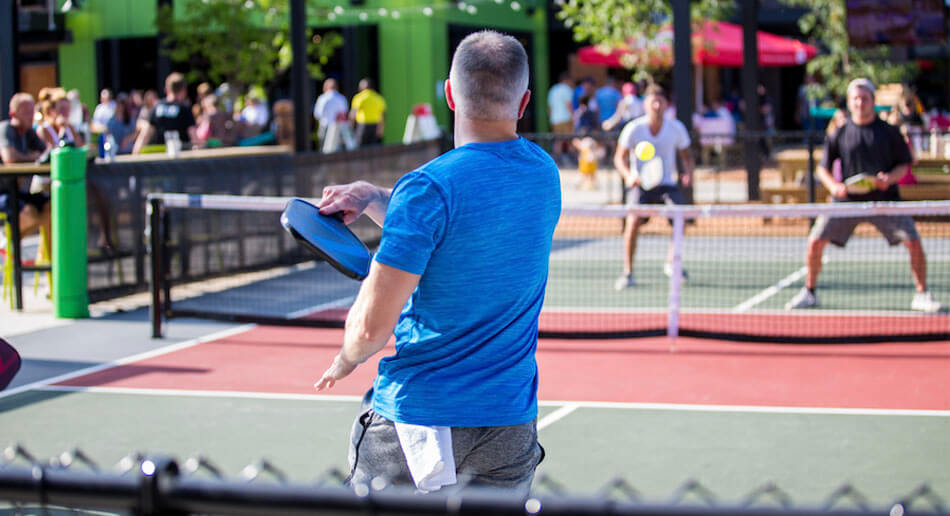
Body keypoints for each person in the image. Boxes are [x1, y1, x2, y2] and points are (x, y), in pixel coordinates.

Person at [313, 30, 556, 494]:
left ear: (448, 93)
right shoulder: (543, 174)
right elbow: (458, 217)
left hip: (416, 422)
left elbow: (369, 330)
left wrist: (345, 360)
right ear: (524, 102)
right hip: (508, 427)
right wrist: (374, 197)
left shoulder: (427, 189)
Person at [784, 78, 942, 313]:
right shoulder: (839, 133)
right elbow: (822, 169)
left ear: (872, 101)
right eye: (855, 99)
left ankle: (921, 293)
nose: (860, 103)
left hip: (885, 200)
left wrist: (888, 178)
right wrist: (834, 186)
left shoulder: (889, 132)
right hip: (846, 202)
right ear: (849, 102)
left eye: (864, 98)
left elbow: (904, 165)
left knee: (914, 242)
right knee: (815, 241)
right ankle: (809, 291)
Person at [612, 84, 694, 290]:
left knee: (680, 218)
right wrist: (629, 176)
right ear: (646, 105)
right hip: (640, 184)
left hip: (666, 184)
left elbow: (687, 156)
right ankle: (628, 272)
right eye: (652, 102)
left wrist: (688, 173)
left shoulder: (676, 128)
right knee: (632, 221)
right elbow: (619, 158)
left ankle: (671, 264)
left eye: (660, 101)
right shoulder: (633, 129)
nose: (657, 106)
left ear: (666, 104)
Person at [0, 93, 51, 253]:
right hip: (3, 194)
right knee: (31, 213)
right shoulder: (6, 129)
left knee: (53, 207)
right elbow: (9, 158)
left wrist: (52, 133)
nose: (31, 116)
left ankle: (8, 242)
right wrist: (33, 157)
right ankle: (7, 241)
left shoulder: (29, 133)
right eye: (26, 112)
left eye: (32, 111)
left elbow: (48, 154)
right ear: (13, 114)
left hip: (19, 192)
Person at [133, 72, 197, 154]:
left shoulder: (156, 108)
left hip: (160, 159)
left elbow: (145, 134)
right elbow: (194, 138)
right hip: (180, 158)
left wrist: (135, 154)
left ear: (166, 89)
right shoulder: (184, 109)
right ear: (184, 90)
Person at [547, 72, 574, 166]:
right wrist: (573, 116)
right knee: (570, 140)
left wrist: (551, 118)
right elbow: (569, 105)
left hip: (555, 119)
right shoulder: (567, 89)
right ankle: (572, 161)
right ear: (567, 80)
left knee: (558, 141)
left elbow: (549, 107)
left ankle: (556, 161)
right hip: (565, 118)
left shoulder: (553, 90)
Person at [349, 78, 386, 146]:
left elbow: (353, 114)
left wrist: (351, 126)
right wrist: (381, 128)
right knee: (374, 147)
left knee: (361, 147)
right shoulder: (379, 98)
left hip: (362, 126)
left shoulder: (359, 97)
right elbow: (382, 115)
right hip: (375, 125)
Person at [313, 78, 349, 147]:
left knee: (324, 148)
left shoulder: (322, 98)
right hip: (338, 127)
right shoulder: (341, 98)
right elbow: (344, 114)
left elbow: (317, 114)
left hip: (325, 126)